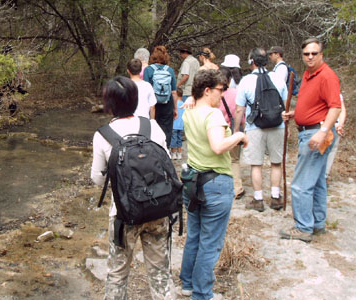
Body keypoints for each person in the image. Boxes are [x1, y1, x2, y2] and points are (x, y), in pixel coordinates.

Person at [91, 76, 175, 299]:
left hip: (123, 215)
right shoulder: (152, 126)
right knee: (160, 273)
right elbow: (166, 166)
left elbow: (98, 179)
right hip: (158, 209)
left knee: (118, 274)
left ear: (109, 104)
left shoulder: (103, 135)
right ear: (135, 99)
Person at [178, 69, 248, 299]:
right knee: (210, 242)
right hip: (215, 183)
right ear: (207, 90)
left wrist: (191, 98)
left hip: (193, 182)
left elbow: (190, 101)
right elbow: (218, 147)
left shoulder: (189, 111)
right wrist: (238, 136)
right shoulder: (213, 115)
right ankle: (202, 293)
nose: (224, 94)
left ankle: (187, 283)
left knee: (194, 235)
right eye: (221, 89)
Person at [280, 37, 341, 242]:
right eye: (307, 54)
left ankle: (303, 228)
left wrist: (323, 131)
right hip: (309, 130)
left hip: (315, 135)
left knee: (300, 184)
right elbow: (315, 106)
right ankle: (317, 224)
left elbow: (335, 107)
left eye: (314, 53)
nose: (310, 57)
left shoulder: (327, 76)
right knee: (316, 182)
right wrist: (295, 114)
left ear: (321, 54)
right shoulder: (308, 75)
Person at [234, 47, 288, 212]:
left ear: (252, 61)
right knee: (276, 163)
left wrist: (237, 129)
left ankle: (258, 199)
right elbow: (285, 105)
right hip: (278, 124)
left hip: (254, 126)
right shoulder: (278, 78)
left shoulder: (246, 81)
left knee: (256, 164)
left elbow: (239, 109)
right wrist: (287, 127)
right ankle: (276, 196)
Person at [219, 66, 245, 199]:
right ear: (229, 80)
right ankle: (237, 188)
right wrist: (242, 127)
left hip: (217, 131)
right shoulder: (236, 93)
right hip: (233, 130)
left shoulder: (213, 94)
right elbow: (241, 111)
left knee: (217, 160)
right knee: (234, 160)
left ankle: (221, 188)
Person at [144, 45, 178, 147]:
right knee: (167, 128)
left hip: (153, 104)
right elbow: (174, 92)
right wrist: (175, 109)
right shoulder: (170, 70)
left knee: (153, 127)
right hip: (167, 103)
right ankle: (165, 151)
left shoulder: (148, 70)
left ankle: (154, 151)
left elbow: (146, 90)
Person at [325, 94, 347, 179]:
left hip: (330, 125)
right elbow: (342, 110)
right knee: (329, 151)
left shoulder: (337, 93)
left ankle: (324, 176)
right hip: (328, 125)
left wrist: (340, 124)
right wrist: (340, 124)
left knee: (330, 151)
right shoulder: (337, 93)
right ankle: (323, 176)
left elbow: (342, 110)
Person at [170, 88, 185, 160]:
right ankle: (179, 153)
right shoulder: (184, 104)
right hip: (180, 125)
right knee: (179, 139)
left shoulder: (174, 104)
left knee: (173, 139)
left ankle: (173, 153)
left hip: (174, 125)